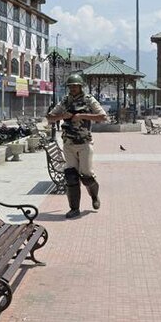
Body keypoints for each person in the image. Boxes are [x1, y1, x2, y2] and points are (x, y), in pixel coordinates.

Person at [46, 73, 107, 219]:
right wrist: (62, 116)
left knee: (86, 176)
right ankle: (74, 208)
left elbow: (103, 117)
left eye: (75, 86)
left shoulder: (89, 100)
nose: (73, 88)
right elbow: (49, 118)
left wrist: (83, 116)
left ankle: (94, 196)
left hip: (84, 143)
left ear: (81, 87)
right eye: (71, 86)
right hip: (69, 143)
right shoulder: (64, 101)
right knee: (71, 176)